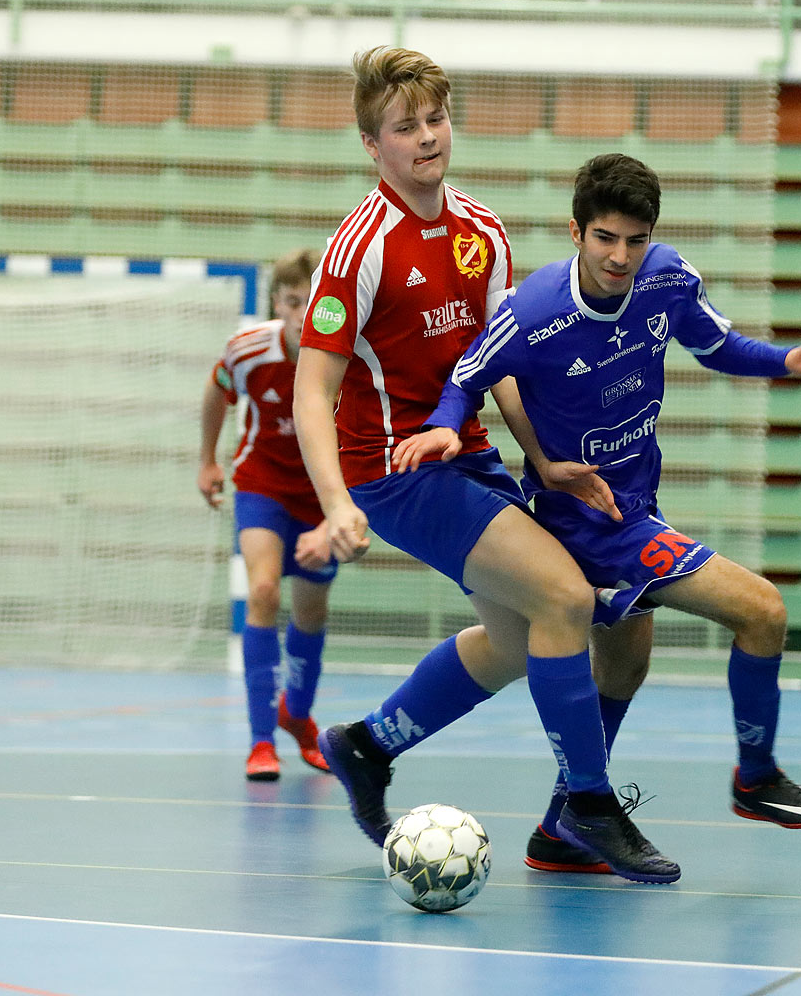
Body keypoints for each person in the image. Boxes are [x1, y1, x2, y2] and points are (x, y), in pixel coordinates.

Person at [393, 153, 801, 874]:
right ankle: (754, 779)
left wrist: (783, 359)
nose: (621, 256)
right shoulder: (532, 311)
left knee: (626, 668)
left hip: (640, 501)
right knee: (763, 613)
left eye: (635, 240)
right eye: (605, 238)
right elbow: (466, 376)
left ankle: (560, 829)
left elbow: (717, 345)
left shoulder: (667, 278)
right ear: (577, 232)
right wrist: (450, 424)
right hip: (591, 525)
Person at [295, 47, 679, 884]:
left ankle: (365, 746)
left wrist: (543, 460)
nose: (427, 138)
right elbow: (310, 383)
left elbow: (500, 362)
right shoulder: (359, 249)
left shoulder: (482, 231)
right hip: (392, 470)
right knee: (565, 597)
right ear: (373, 145)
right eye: (406, 127)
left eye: (435, 119)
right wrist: (333, 503)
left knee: (516, 640)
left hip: (471, 457)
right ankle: (586, 803)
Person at [199, 249, 337, 781]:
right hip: (262, 485)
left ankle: (297, 719)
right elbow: (216, 392)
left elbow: (356, 444)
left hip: (320, 494)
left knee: (311, 612)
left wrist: (331, 521)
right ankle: (261, 742)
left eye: (312, 301)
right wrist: (208, 460)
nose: (303, 312)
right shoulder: (249, 351)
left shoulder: (344, 359)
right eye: (291, 301)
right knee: (262, 592)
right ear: (276, 304)